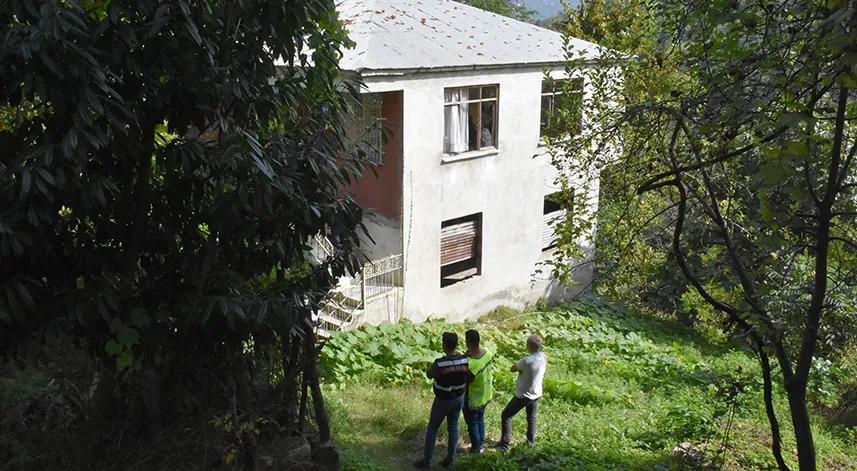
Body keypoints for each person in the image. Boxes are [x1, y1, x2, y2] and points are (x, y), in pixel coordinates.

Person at [416, 332, 469, 469]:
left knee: (433, 428)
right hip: (458, 398)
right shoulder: (464, 360)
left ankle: (426, 461)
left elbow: (429, 374)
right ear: (456, 345)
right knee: (453, 427)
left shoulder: (440, 364)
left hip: (442, 400)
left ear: (443, 345)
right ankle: (450, 459)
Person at [496, 334, 547, 451]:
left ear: (528, 345)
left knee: (506, 415)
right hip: (537, 393)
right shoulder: (543, 356)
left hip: (524, 395)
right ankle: (530, 442)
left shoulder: (527, 361)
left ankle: (504, 444)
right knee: (531, 418)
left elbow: (513, 368)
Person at [463, 329, 494, 454]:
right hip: (486, 395)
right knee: (480, 420)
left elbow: (466, 380)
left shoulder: (471, 364)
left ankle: (476, 448)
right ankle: (480, 444)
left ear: (467, 343)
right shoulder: (487, 352)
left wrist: (465, 357)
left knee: (472, 423)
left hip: (473, 400)